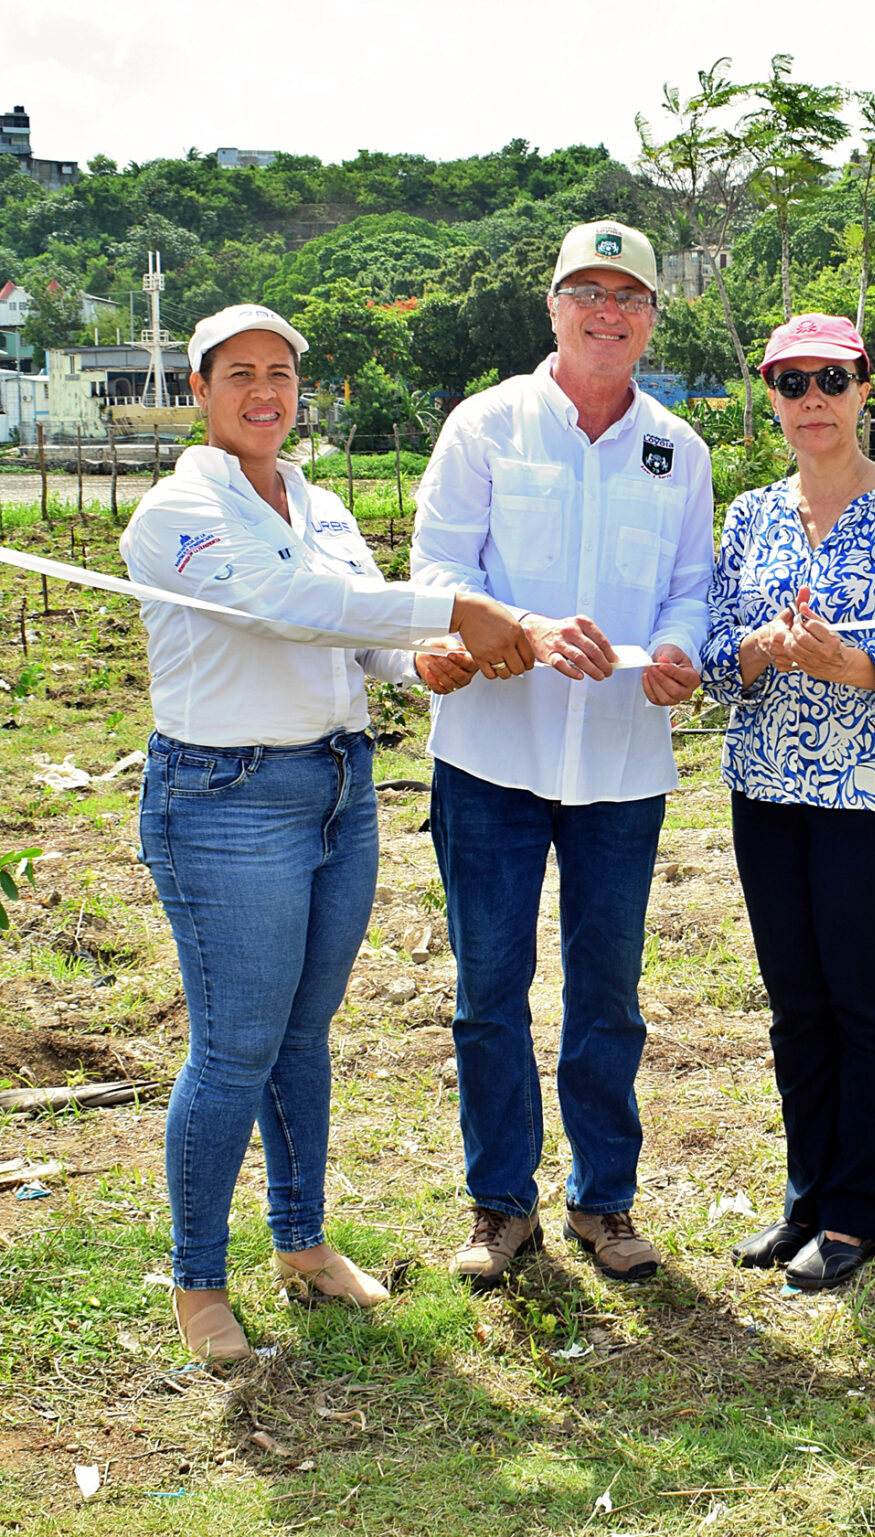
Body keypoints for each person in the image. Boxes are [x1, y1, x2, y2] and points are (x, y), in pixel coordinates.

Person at [121, 303, 530, 1361]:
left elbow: (354, 633)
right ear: (201, 391)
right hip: (226, 797)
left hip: (338, 785)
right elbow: (286, 605)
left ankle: (300, 1242)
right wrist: (451, 610)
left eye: (282, 373)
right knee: (234, 1046)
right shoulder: (177, 513)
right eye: (241, 373)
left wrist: (422, 659)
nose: (266, 391)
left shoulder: (320, 501)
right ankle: (197, 1281)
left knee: (302, 1035)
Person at [411, 220, 714, 1288]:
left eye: (627, 296)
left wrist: (678, 650)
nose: (606, 311)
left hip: (622, 763)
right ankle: (501, 1205)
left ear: (648, 320)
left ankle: (603, 1199)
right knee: (490, 986)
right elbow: (442, 567)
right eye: (586, 290)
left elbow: (690, 585)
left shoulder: (679, 447)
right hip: (494, 754)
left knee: (610, 992)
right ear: (553, 308)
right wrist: (517, 630)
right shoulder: (486, 425)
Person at [700, 313, 875, 1291]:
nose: (811, 398)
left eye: (831, 379)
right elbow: (719, 669)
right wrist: (759, 653)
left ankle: (860, 1212)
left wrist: (850, 662)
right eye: (790, 381)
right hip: (769, 786)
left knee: (861, 1000)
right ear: (768, 395)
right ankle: (807, 1197)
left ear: (863, 389)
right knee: (796, 1004)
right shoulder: (751, 516)